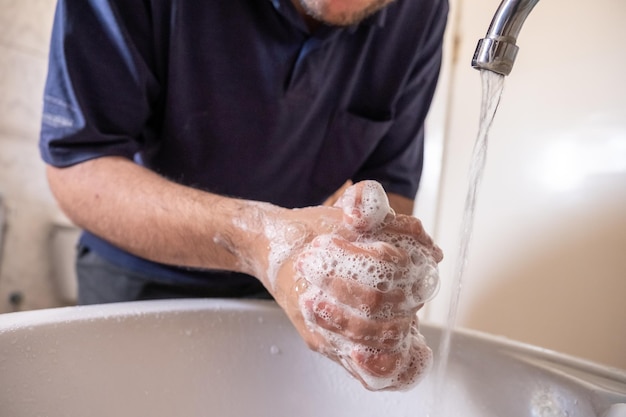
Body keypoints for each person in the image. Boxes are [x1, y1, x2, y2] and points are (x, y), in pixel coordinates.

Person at [39, 0, 447, 391]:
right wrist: (257, 242)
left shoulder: (421, 12)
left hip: (282, 295)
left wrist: (370, 289)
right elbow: (78, 163)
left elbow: (389, 184)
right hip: (137, 276)